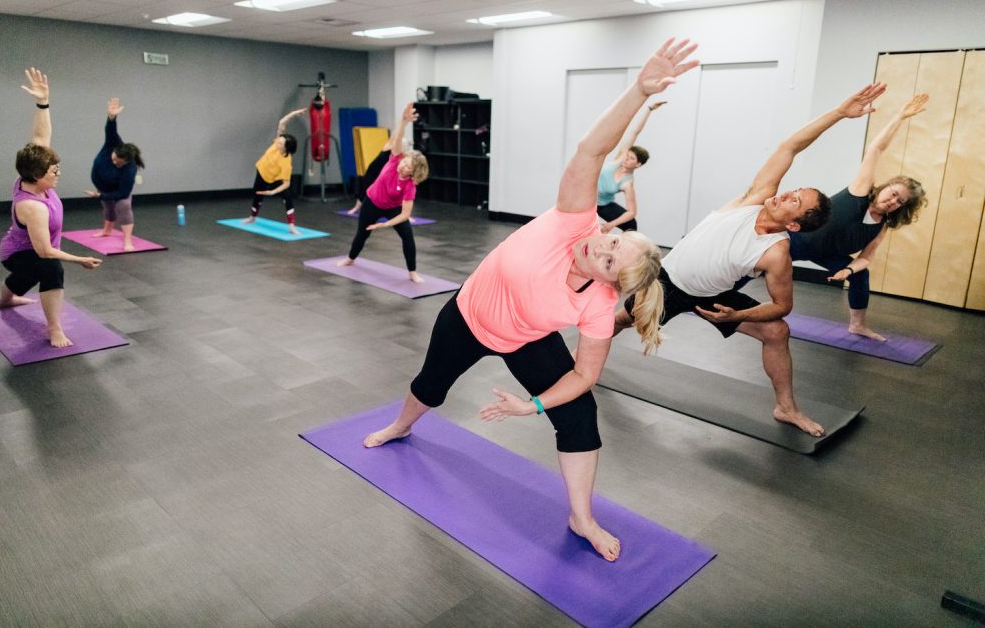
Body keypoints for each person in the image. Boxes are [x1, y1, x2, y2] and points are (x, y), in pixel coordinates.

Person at [362, 38, 699, 563]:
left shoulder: (596, 307)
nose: (601, 245)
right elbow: (590, 150)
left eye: (610, 259)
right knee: (432, 385)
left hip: (526, 337)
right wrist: (638, 90)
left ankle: (581, 516)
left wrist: (532, 405)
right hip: (468, 316)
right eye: (612, 239)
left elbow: (585, 376)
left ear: (611, 283)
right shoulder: (573, 220)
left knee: (580, 415)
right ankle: (401, 425)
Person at [614, 83, 888, 437]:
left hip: (712, 296)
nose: (786, 193)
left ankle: (786, 408)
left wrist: (738, 315)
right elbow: (790, 146)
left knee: (777, 331)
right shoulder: (755, 198)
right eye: (794, 190)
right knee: (621, 320)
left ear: (793, 224)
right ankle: (583, 362)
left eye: (794, 201)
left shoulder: (777, 253)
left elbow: (782, 306)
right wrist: (839, 113)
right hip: (667, 282)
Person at [789, 94, 929, 341]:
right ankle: (706, 294)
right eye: (893, 193)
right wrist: (899, 116)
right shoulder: (860, 192)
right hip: (797, 240)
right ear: (886, 186)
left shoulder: (883, 225)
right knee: (752, 263)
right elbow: (876, 149)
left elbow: (866, 258)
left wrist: (848, 271)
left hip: (824, 254)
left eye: (900, 202)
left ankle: (857, 325)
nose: (893, 201)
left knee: (860, 274)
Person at [0, 68, 102, 347]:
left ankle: (6, 298)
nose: (58, 174)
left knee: (35, 271)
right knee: (50, 267)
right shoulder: (32, 207)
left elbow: (41, 136)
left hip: (33, 248)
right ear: (36, 174)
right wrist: (80, 259)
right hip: (18, 252)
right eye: (53, 171)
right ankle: (54, 328)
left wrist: (43, 102)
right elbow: (44, 251)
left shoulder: (30, 173)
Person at [336, 103, 429, 283]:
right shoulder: (394, 160)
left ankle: (412, 272)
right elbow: (398, 137)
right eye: (404, 162)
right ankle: (350, 259)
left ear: (413, 172)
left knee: (408, 236)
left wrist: (385, 225)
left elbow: (405, 215)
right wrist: (404, 121)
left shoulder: (410, 185)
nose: (403, 166)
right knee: (362, 234)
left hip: (392, 208)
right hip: (372, 202)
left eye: (407, 166)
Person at [84, 97, 145, 252]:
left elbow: (123, 192)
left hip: (117, 189)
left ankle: (127, 240)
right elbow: (110, 129)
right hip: (102, 185)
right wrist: (112, 116)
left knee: (123, 206)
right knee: (108, 208)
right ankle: (107, 231)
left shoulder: (130, 168)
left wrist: (101, 196)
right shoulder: (113, 143)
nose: (115, 163)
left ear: (127, 162)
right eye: (114, 159)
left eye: (119, 163)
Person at [597, 100, 665, 233]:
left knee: (631, 224)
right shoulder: (619, 159)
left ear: (638, 164)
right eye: (627, 156)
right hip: (584, 199)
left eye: (631, 158)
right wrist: (649, 109)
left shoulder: (627, 184)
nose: (626, 159)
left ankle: (628, 249)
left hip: (601, 205)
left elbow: (632, 212)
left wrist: (611, 224)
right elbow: (635, 132)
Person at [243, 108, 307, 234]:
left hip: (275, 178)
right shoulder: (277, 143)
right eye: (279, 140)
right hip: (262, 171)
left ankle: (292, 225)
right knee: (257, 194)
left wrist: (273, 192)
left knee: (287, 197)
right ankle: (252, 217)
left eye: (281, 143)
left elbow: (286, 183)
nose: (277, 142)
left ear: (286, 148)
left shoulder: (286, 161)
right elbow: (282, 123)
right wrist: (293, 114)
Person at [345, 140, 393, 216]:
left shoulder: (399, 156)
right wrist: (401, 127)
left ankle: (397, 213)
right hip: (372, 172)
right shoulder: (387, 149)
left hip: (383, 174)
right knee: (366, 190)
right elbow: (394, 137)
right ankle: (356, 208)